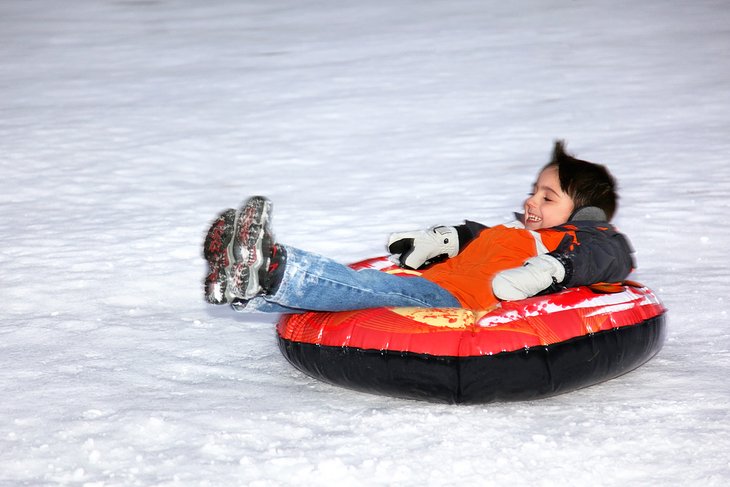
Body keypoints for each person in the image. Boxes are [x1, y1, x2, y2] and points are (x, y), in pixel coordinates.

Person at [202, 141, 634, 313]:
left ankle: (274, 267)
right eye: (533, 190)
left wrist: (553, 269)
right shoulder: (517, 233)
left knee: (365, 289)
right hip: (438, 283)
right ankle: (247, 285)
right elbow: (472, 236)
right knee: (363, 288)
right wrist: (436, 241)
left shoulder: (583, 241)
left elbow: (609, 256)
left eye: (547, 196)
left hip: (460, 301)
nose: (530, 201)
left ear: (584, 214)